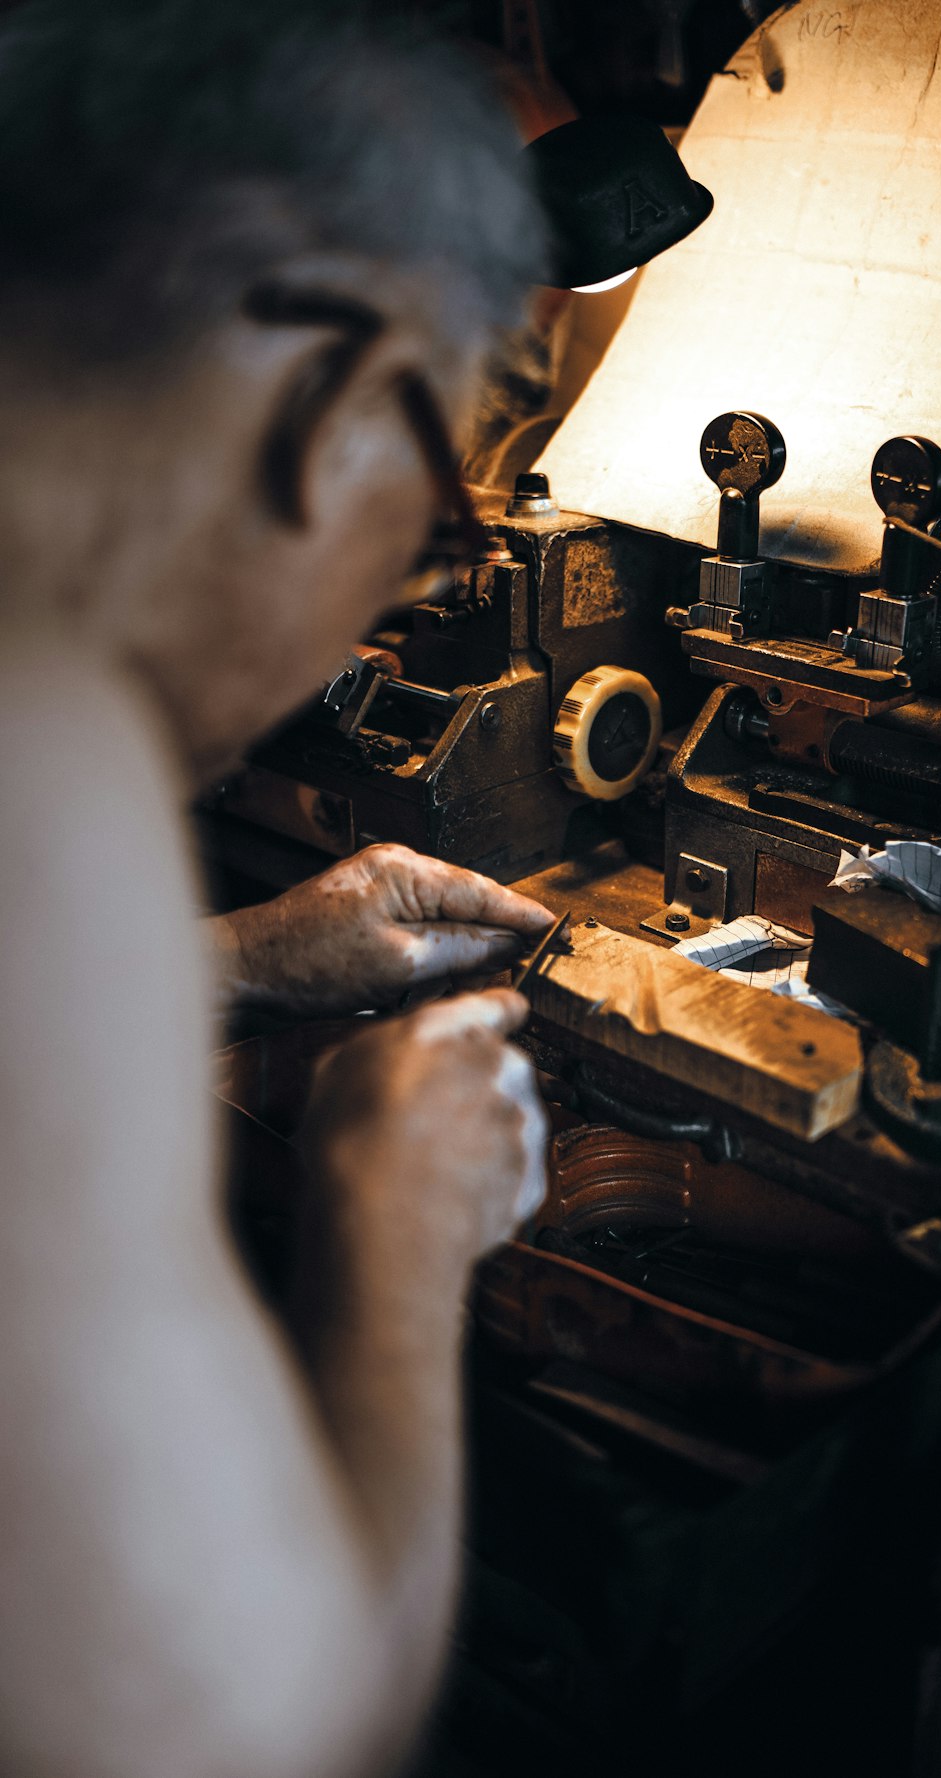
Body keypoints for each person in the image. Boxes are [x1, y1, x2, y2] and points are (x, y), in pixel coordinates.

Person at [0, 3, 556, 1774]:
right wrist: (396, 1214)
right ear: (333, 391)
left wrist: (235, 955)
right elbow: (252, 1730)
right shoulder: (41, 734)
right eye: (441, 519)